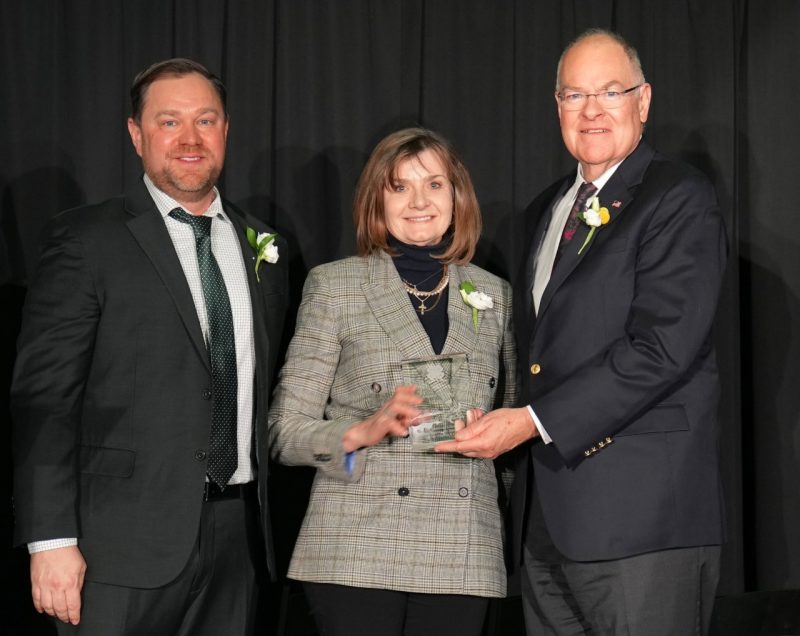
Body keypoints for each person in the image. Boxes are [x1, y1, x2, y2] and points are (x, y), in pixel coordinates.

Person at [436, 29, 727, 635]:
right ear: (557, 106)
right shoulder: (545, 209)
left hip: (642, 523)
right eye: (574, 95)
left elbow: (661, 349)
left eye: (610, 92)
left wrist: (532, 422)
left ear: (643, 102)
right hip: (547, 521)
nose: (591, 111)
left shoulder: (678, 197)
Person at [11, 58, 288, 635]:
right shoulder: (86, 240)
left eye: (205, 121)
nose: (190, 139)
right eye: (169, 122)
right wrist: (51, 539)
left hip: (236, 543)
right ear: (136, 135)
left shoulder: (261, 244)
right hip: (116, 549)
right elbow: (45, 401)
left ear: (226, 130)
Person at [268, 127, 517, 636]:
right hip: (356, 546)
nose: (419, 201)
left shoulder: (495, 295)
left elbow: (510, 429)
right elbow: (283, 431)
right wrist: (358, 434)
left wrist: (490, 436)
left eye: (434, 185)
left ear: (457, 196)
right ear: (376, 200)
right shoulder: (335, 286)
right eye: (399, 187)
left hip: (463, 550)